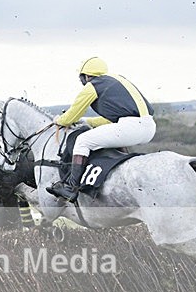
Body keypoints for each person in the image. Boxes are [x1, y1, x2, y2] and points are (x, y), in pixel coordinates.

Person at [47, 56, 156, 203]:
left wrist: (58, 120)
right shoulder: (116, 80)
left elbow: (70, 117)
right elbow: (112, 119)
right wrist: (87, 121)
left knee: (83, 141)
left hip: (131, 127)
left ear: (86, 76)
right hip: (148, 126)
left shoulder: (93, 85)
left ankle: (70, 187)